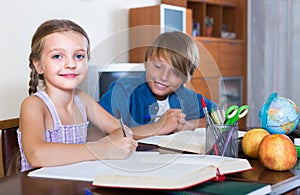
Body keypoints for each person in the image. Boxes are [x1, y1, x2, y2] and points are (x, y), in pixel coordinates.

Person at [17, 19, 137, 172]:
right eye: (57, 56)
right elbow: (37, 155)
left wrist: (112, 144)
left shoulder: (83, 100)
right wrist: (100, 149)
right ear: (39, 65)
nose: (71, 64)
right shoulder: (34, 105)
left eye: (79, 56)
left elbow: (123, 130)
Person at [99, 31, 217, 140]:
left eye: (175, 73)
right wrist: (158, 127)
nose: (164, 77)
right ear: (146, 62)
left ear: (185, 78)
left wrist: (191, 124)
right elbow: (98, 134)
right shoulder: (123, 90)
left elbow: (224, 118)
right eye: (158, 66)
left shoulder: (185, 96)